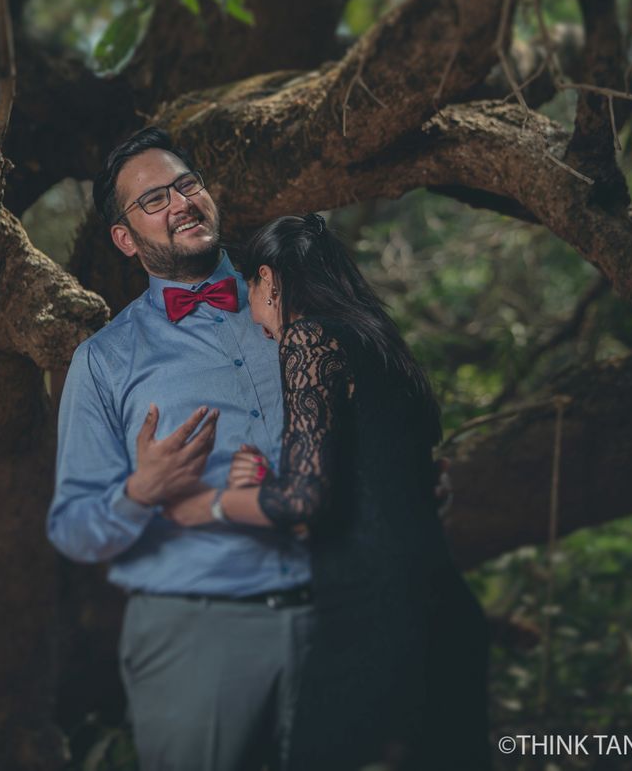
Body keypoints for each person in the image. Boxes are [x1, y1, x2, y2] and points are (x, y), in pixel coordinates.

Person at [165, 212, 492, 771]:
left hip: (372, 615)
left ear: (268, 279)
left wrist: (209, 504)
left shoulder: (308, 336)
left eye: (250, 288)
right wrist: (266, 488)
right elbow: (359, 495)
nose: (255, 315)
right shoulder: (379, 345)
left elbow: (306, 504)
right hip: (439, 606)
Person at [47, 128, 315, 771]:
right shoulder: (104, 362)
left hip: (336, 613)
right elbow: (73, 527)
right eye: (154, 200)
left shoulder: (301, 304)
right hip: (195, 639)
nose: (181, 203)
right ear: (124, 237)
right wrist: (142, 490)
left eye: (188, 185)